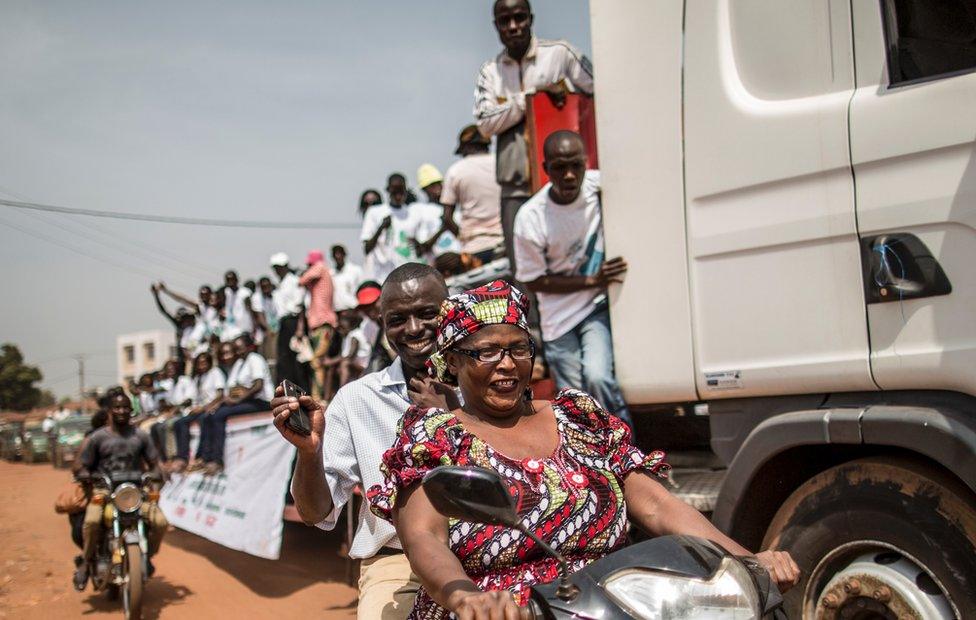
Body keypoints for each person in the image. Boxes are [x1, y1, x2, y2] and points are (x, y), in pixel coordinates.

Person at [367, 281, 800, 618]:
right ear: (455, 361)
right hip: (501, 612)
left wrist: (747, 560)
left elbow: (655, 503)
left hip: (609, 603)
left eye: (518, 348)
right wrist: (465, 597)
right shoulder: (434, 437)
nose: (506, 363)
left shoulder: (579, 417)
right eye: (486, 352)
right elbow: (422, 534)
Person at [270, 263, 456, 619]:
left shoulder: (486, 382)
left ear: (450, 311)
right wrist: (309, 452)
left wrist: (455, 413)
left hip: (491, 555)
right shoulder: (357, 400)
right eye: (398, 319)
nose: (414, 329)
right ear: (382, 325)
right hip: (399, 566)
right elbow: (315, 513)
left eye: (427, 314)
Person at [513, 130, 634, 430]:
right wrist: (593, 280)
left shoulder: (602, 186)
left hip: (594, 308)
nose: (569, 175)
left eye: (576, 166)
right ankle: (588, 464)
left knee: (598, 377)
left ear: (586, 163)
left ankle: (626, 451)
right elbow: (535, 281)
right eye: (559, 167)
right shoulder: (532, 217)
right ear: (546, 169)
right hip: (558, 321)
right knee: (574, 399)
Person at [474, 0, 594, 270]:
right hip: (515, 188)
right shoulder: (490, 72)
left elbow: (597, 94)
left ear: (531, 18)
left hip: (564, 182)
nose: (513, 26)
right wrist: (530, 98)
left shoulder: (560, 55)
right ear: (497, 26)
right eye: (505, 21)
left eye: (519, 18)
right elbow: (484, 123)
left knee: (575, 259)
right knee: (524, 269)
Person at [73, 393, 168, 591]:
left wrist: (156, 474)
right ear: (110, 411)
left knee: (160, 522)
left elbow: (154, 464)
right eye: (117, 408)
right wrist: (86, 475)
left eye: (125, 408)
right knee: (91, 521)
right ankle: (86, 562)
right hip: (105, 491)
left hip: (134, 492)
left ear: (131, 411)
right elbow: (82, 466)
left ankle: (147, 555)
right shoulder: (98, 437)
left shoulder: (140, 435)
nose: (121, 411)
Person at [197, 334, 273, 475]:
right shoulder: (239, 364)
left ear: (250, 347)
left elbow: (258, 385)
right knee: (208, 415)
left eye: (240, 348)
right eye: (236, 349)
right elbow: (231, 389)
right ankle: (204, 458)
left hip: (261, 402)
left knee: (219, 415)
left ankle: (217, 461)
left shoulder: (254, 359)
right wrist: (220, 402)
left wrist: (238, 399)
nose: (238, 352)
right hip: (247, 400)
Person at [441, 124, 504, 265]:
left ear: (467, 147)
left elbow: (447, 218)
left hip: (473, 250)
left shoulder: (455, 171)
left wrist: (462, 237)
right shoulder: (501, 164)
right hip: (505, 246)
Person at [171, 347, 230, 473]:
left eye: (204, 362)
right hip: (199, 409)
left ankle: (203, 457)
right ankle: (182, 457)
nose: (201, 365)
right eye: (199, 363)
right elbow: (193, 398)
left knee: (205, 419)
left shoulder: (215, 372)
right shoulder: (198, 378)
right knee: (179, 423)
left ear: (209, 362)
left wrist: (203, 408)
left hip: (211, 408)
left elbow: (220, 394)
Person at [361, 173, 425, 282]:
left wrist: (417, 243)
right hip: (382, 278)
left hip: (408, 279)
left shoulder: (414, 214)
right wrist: (381, 228)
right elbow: (367, 248)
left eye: (401, 191)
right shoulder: (375, 212)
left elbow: (422, 252)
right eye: (395, 191)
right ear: (388, 190)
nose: (398, 195)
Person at [300, 250, 338, 399]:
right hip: (318, 323)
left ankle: (318, 396)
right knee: (316, 362)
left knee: (317, 361)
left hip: (323, 323)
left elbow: (302, 280)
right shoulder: (323, 273)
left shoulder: (320, 268)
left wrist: (306, 272)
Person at [271, 252, 311, 387]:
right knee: (284, 359)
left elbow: (301, 306)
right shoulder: (280, 284)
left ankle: (301, 390)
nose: (278, 270)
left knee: (297, 359)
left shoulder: (294, 281)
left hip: (294, 322)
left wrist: (300, 328)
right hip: (283, 323)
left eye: (280, 267)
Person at [413, 164, 462, 262]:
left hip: (461, 259)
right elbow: (422, 247)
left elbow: (463, 237)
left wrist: (450, 222)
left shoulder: (454, 209)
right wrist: (443, 228)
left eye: (439, 183)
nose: (437, 187)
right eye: (432, 185)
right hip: (440, 265)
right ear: (424, 189)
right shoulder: (422, 211)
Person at [251, 275, 279, 361]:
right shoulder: (257, 297)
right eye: (263, 287)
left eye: (267, 286)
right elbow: (260, 317)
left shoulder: (276, 295)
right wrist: (269, 330)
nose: (266, 289)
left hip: (278, 331)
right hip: (265, 334)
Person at [221, 270, 253, 342]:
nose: (230, 282)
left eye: (232, 280)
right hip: (230, 328)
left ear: (237, 280)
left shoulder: (245, 293)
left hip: (243, 328)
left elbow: (251, 311)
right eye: (228, 280)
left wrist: (253, 328)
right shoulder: (227, 292)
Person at [330, 244, 363, 311]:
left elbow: (362, 289)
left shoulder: (356, 270)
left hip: (353, 309)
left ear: (344, 255)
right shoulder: (330, 273)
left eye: (339, 254)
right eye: (335, 254)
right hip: (336, 311)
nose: (337, 256)